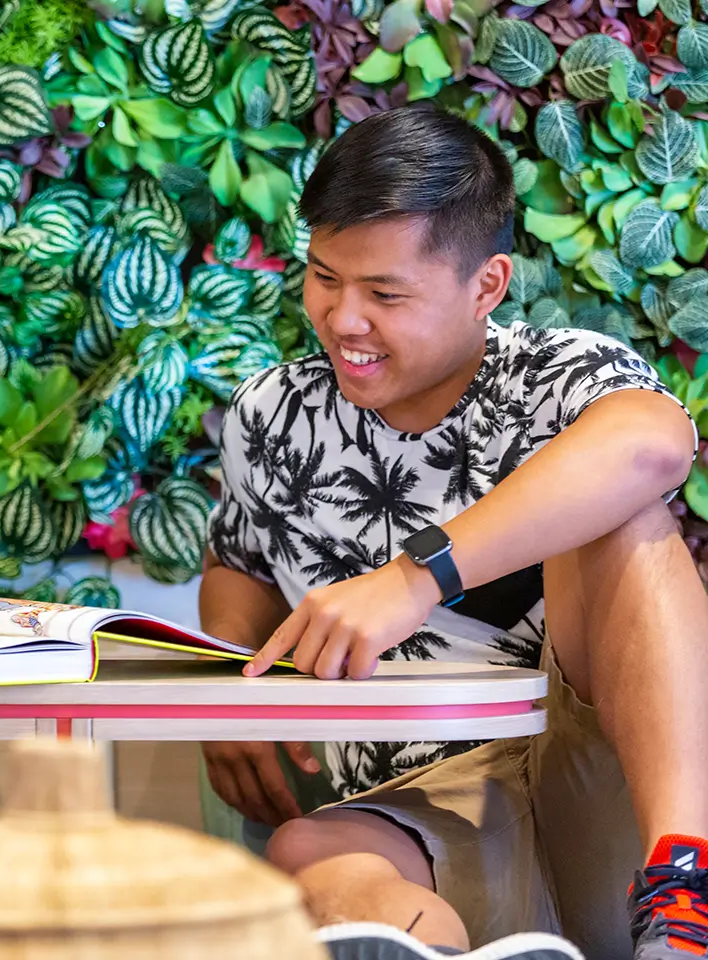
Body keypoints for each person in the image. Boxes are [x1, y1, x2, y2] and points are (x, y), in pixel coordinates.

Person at [199, 104, 708, 960]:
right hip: (414, 805)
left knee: (623, 518)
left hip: (599, 782)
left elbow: (656, 442)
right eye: (325, 277)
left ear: (488, 286)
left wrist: (413, 578)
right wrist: (226, 687)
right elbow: (239, 560)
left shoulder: (556, 377)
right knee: (308, 854)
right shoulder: (273, 412)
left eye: (385, 293)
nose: (343, 319)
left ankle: (685, 888)